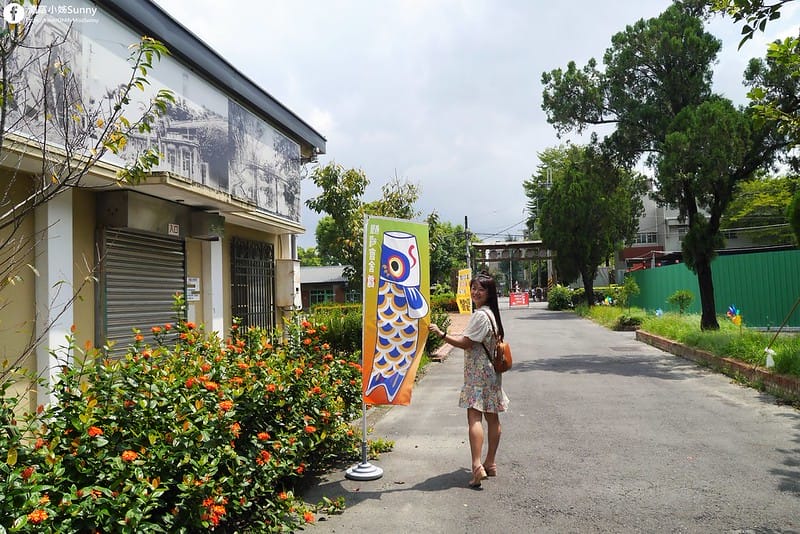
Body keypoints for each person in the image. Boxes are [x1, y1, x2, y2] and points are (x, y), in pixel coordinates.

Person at [430, 272, 510, 488]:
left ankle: (477, 467)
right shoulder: (492, 314)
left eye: (480, 289)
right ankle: (490, 463)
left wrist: (441, 334)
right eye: (473, 288)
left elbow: (465, 343)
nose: (475, 292)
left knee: (474, 418)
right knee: (492, 418)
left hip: (477, 374)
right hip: (492, 374)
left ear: (489, 293)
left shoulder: (480, 316)